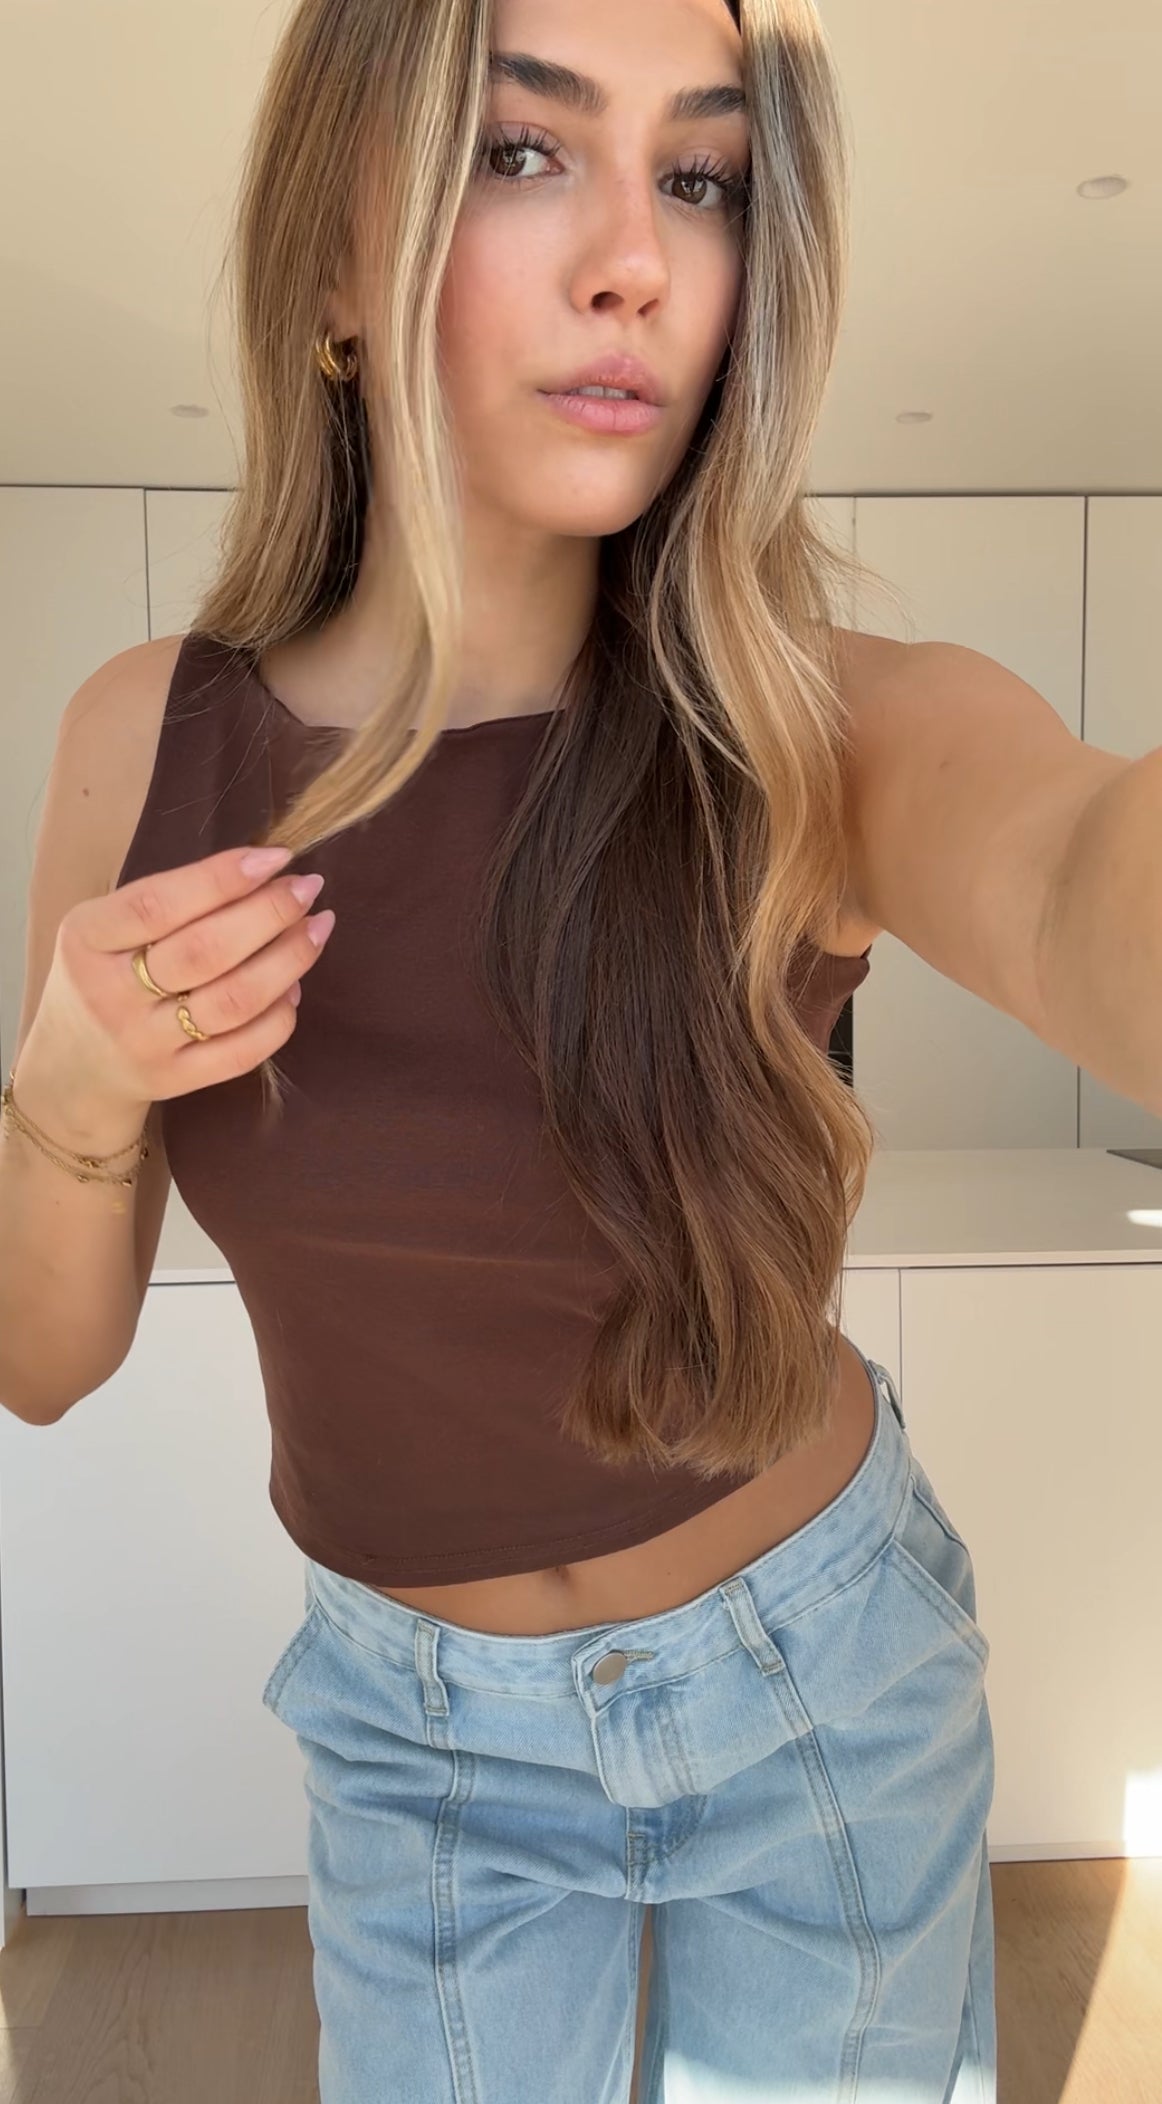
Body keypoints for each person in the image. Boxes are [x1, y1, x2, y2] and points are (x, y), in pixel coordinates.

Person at [0, 1, 998, 2097]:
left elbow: (1078, 856)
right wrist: (71, 1090)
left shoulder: (817, 728)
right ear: (333, 264)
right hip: (414, 1735)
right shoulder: (140, 740)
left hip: (816, 1666)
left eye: (701, 179)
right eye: (521, 152)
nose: (636, 259)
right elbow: (43, 1359)